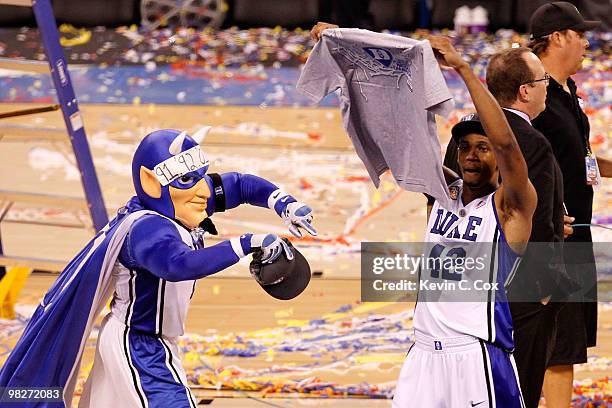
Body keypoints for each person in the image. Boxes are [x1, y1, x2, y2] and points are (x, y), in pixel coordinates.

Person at [0, 127, 317, 407]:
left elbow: (241, 185)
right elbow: (178, 265)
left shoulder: (183, 198)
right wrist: (247, 243)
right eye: (189, 181)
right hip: (139, 346)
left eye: (202, 177)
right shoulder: (147, 230)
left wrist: (283, 203)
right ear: (153, 185)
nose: (204, 191)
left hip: (154, 342)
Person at [392, 36, 536, 407]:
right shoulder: (441, 193)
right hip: (422, 354)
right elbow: (401, 141)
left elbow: (508, 146)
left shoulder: (510, 206)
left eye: (482, 147)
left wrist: (463, 69)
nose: (471, 156)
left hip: (476, 357)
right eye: (465, 147)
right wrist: (347, 52)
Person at [443, 47, 573, 408]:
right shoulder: (529, 142)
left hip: (463, 292)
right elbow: (537, 223)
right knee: (518, 391)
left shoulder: (461, 139)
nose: (547, 86)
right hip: (517, 297)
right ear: (525, 91)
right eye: (542, 80)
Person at [528, 3, 612, 406]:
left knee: (569, 343)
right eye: (580, 35)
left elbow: (581, 157)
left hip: (575, 232)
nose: (586, 43)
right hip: (548, 237)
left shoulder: (566, 92)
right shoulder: (532, 93)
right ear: (558, 37)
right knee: (557, 344)